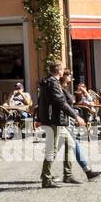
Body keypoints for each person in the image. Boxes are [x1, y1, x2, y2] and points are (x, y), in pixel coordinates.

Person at [37, 60, 89, 188]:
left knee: (70, 144)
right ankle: (46, 179)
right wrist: (76, 116)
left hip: (57, 120)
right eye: (62, 69)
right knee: (52, 150)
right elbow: (60, 102)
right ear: (59, 70)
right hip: (54, 120)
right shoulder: (52, 83)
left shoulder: (51, 82)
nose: (63, 71)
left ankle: (68, 174)